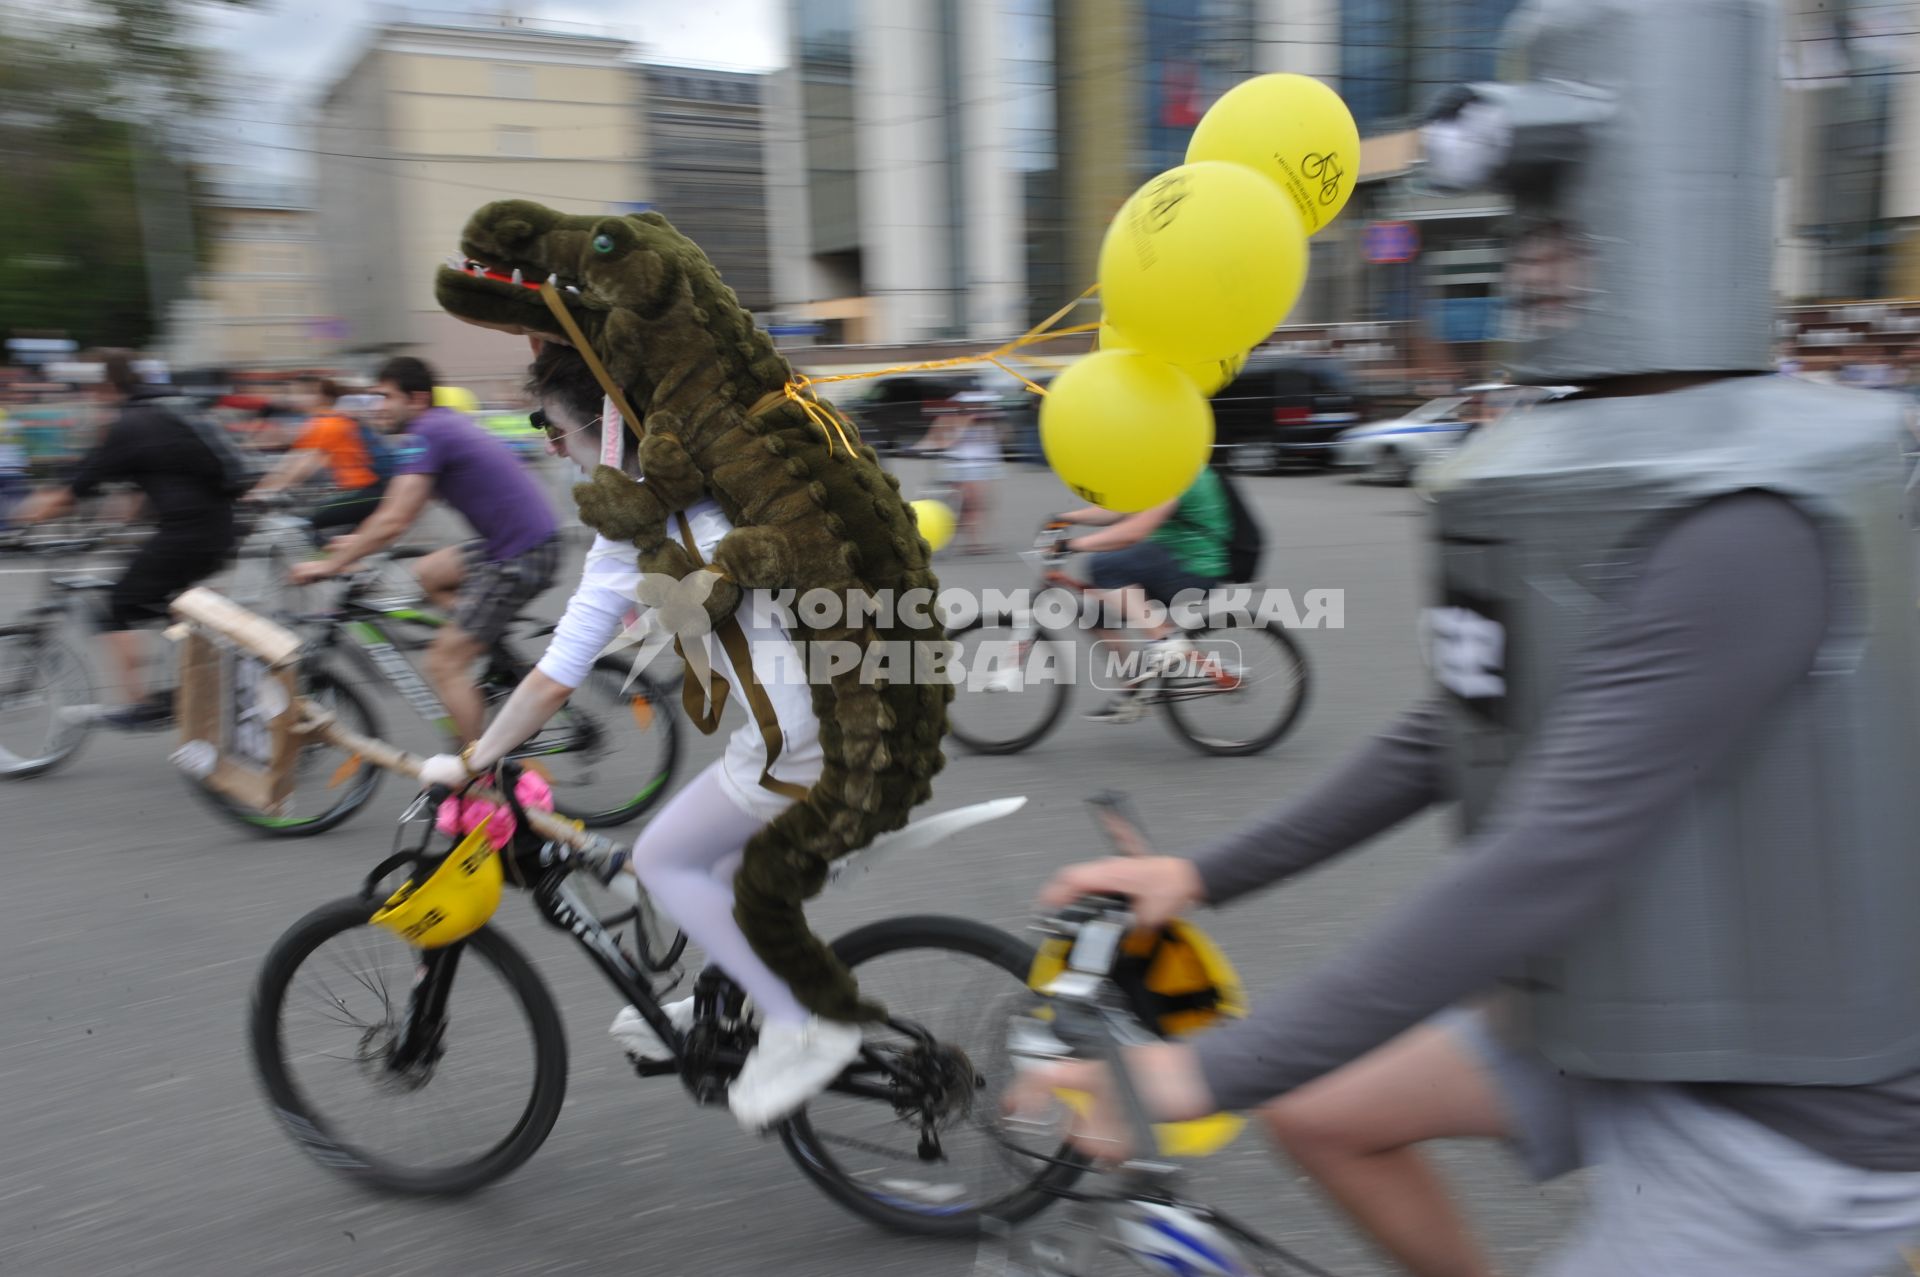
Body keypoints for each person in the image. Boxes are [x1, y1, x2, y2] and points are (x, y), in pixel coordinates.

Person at [1012, 4, 1920, 1274]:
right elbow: (1465, 719)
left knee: (1291, 1076)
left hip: (1786, 1123)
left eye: (1563, 219)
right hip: (1619, 1011)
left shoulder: (1745, 513)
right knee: (1322, 1109)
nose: (1533, 258)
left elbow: (1544, 859)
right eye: (1531, 222)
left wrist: (1192, 1070)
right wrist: (1202, 878)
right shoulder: (1596, 465)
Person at [414, 342, 857, 1129]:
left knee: (661, 858)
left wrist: (478, 757)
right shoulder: (730, 476)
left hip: (795, 743)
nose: (551, 450)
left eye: (553, 430)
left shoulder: (636, 530)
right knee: (713, 866)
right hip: (848, 715)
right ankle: (734, 996)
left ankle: (799, 1022)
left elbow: (554, 678)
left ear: (606, 427)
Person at [287, 356, 559, 743]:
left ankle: (477, 778)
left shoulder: (429, 433)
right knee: (428, 573)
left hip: (523, 553)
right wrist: (356, 542)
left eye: (384, 397)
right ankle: (489, 643)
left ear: (415, 399)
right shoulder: (437, 426)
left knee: (444, 663)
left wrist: (331, 565)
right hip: (514, 544)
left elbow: (394, 520)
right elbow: (398, 507)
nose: (376, 407)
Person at [15, 351, 240, 726]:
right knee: (171, 602)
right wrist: (111, 524)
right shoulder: (163, 410)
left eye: (91, 387)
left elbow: (76, 488)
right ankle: (210, 664)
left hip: (190, 532)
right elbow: (151, 478)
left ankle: (144, 701)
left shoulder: (130, 424)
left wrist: (25, 517)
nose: (88, 394)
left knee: (122, 604)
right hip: (212, 528)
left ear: (106, 385)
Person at [1052, 466, 1233, 723]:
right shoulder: (1163, 469)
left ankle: (1164, 639)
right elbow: (1121, 509)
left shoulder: (1182, 473)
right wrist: (1066, 518)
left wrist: (1074, 545)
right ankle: (1133, 694)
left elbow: (1133, 532)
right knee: (1095, 614)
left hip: (1194, 565)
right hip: (1170, 555)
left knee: (1103, 566)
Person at [247, 377, 389, 537]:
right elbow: (291, 463)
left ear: (323, 397)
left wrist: (267, 491)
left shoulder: (329, 423)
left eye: (305, 393)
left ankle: (324, 562)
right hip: (364, 491)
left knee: (307, 524)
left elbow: (304, 465)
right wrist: (261, 489)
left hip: (369, 492)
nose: (296, 398)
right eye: (293, 393)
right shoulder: (318, 422)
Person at [915, 387, 1004, 554]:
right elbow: (940, 441)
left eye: (982, 405)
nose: (979, 408)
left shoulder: (989, 419)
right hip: (962, 466)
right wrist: (964, 424)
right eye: (975, 405)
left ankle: (959, 535)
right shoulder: (951, 417)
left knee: (980, 504)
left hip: (985, 466)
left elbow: (998, 440)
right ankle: (973, 543)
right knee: (973, 505)